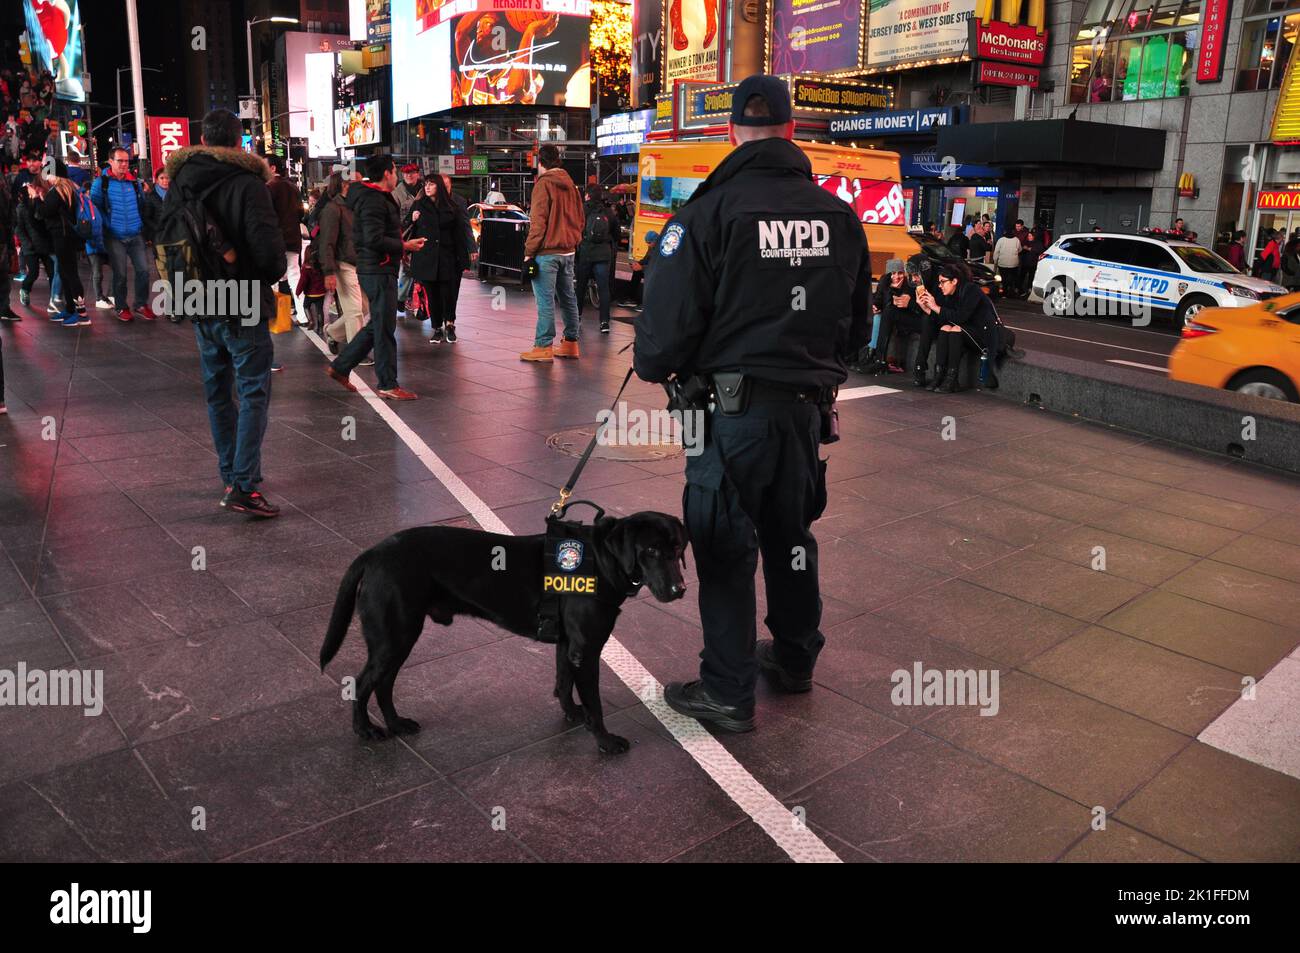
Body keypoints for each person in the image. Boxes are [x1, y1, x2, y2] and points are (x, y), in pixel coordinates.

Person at [634, 74, 871, 733]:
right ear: (794, 130)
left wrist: (659, 363)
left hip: (729, 419)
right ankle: (795, 660)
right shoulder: (838, 215)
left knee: (724, 546)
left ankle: (727, 690)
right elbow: (857, 329)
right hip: (803, 415)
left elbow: (662, 336)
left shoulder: (708, 213)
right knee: (791, 537)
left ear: (732, 132)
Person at [167, 108, 288, 517]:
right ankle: (243, 484)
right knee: (253, 390)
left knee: (218, 391)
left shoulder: (180, 181)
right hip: (242, 297)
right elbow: (271, 256)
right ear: (240, 142)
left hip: (199, 297)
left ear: (203, 139)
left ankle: (231, 472)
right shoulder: (248, 184)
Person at [324, 154, 426, 400]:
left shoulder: (375, 197)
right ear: (387, 174)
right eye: (394, 170)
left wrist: (400, 247)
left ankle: (341, 367)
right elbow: (372, 239)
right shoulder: (373, 200)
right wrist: (404, 246)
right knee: (383, 329)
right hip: (377, 270)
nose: (396, 174)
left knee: (378, 325)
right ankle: (387, 384)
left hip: (379, 268)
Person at [519, 143, 584, 363]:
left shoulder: (543, 185)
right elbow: (580, 219)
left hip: (547, 252)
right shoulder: (572, 185)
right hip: (568, 251)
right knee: (568, 297)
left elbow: (538, 222)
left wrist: (529, 251)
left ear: (540, 162)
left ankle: (543, 346)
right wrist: (574, 240)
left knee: (545, 301)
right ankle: (570, 343)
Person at [405, 173, 473, 344]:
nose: (427, 187)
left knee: (448, 293)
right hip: (426, 258)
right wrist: (412, 218)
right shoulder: (419, 205)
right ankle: (436, 327)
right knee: (432, 294)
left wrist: (467, 253)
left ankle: (450, 324)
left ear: (439, 187)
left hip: (448, 258)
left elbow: (462, 231)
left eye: (431, 184)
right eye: (426, 184)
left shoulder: (453, 205)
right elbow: (406, 226)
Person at [91, 147, 156, 322]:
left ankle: (141, 304)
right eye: (120, 161)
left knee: (143, 270)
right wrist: (108, 226)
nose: (124, 164)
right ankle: (121, 307)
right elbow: (95, 209)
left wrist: (142, 226)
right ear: (110, 162)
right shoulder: (101, 183)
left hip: (135, 234)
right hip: (114, 236)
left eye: (126, 161)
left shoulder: (134, 182)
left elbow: (142, 204)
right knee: (120, 274)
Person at [915, 262, 987, 393]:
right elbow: (944, 318)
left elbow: (961, 317)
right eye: (939, 282)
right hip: (963, 333)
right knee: (945, 328)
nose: (940, 286)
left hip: (982, 334)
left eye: (943, 282)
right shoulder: (948, 294)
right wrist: (927, 309)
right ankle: (939, 376)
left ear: (954, 281)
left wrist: (936, 307)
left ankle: (952, 379)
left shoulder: (971, 290)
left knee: (955, 329)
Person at [317, 172, 369, 352]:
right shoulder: (333, 208)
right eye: (359, 182)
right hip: (342, 264)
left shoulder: (357, 206)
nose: (363, 185)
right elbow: (327, 243)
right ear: (346, 185)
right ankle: (356, 353)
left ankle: (331, 332)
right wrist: (329, 272)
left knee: (363, 307)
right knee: (355, 311)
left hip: (360, 264)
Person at [35, 175, 86, 326]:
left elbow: (44, 212)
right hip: (64, 236)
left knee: (70, 274)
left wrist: (37, 197)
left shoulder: (58, 191)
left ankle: (82, 314)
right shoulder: (67, 188)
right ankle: (70, 309)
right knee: (65, 273)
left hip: (63, 236)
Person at [265, 155, 304, 325]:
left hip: (275, 240)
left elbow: (265, 215)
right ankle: (303, 315)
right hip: (293, 239)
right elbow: (301, 213)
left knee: (273, 278)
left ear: (273, 168)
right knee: (295, 276)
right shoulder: (293, 187)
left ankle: (278, 318)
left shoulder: (269, 187)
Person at [575, 183, 618, 334]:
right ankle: (604, 322)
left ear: (587, 195)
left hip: (586, 253)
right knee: (604, 288)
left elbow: (575, 229)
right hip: (603, 255)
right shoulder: (608, 212)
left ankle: (577, 317)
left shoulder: (581, 210)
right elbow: (616, 233)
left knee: (580, 286)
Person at [392, 163, 422, 312]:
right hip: (404, 234)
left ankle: (409, 298)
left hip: (422, 233)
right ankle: (401, 297)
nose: (409, 176)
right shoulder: (396, 193)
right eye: (406, 173)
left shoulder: (424, 189)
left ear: (418, 174)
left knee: (417, 269)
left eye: (412, 173)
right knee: (407, 269)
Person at [992, 226, 1022, 298]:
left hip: (1002, 263)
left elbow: (996, 252)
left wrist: (995, 261)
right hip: (1013, 264)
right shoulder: (1016, 240)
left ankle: (1004, 293)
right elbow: (1020, 250)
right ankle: (1011, 293)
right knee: (1012, 279)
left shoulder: (1001, 240)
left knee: (1003, 279)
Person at [1019, 228, 1044, 297]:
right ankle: (1020, 290)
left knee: (1031, 277)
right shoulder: (1026, 242)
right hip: (1025, 263)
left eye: (1030, 236)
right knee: (1022, 277)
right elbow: (1020, 252)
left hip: (1033, 263)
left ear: (1034, 236)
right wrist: (1023, 249)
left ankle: (1029, 289)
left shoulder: (1038, 243)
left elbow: (1040, 251)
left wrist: (1030, 249)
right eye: (1028, 236)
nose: (1029, 237)